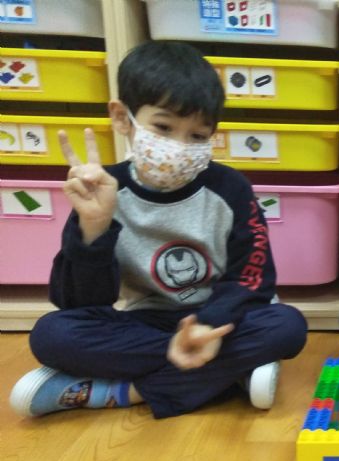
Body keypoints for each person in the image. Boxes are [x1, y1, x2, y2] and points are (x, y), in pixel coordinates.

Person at [8, 41, 307, 419]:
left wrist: (207, 326)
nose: (179, 147)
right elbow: (80, 303)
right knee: (52, 334)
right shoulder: (103, 189)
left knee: (286, 326)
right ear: (122, 118)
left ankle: (122, 392)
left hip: (221, 318)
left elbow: (252, 280)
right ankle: (228, 374)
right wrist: (94, 228)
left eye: (197, 136)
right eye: (163, 128)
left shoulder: (231, 189)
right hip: (146, 320)